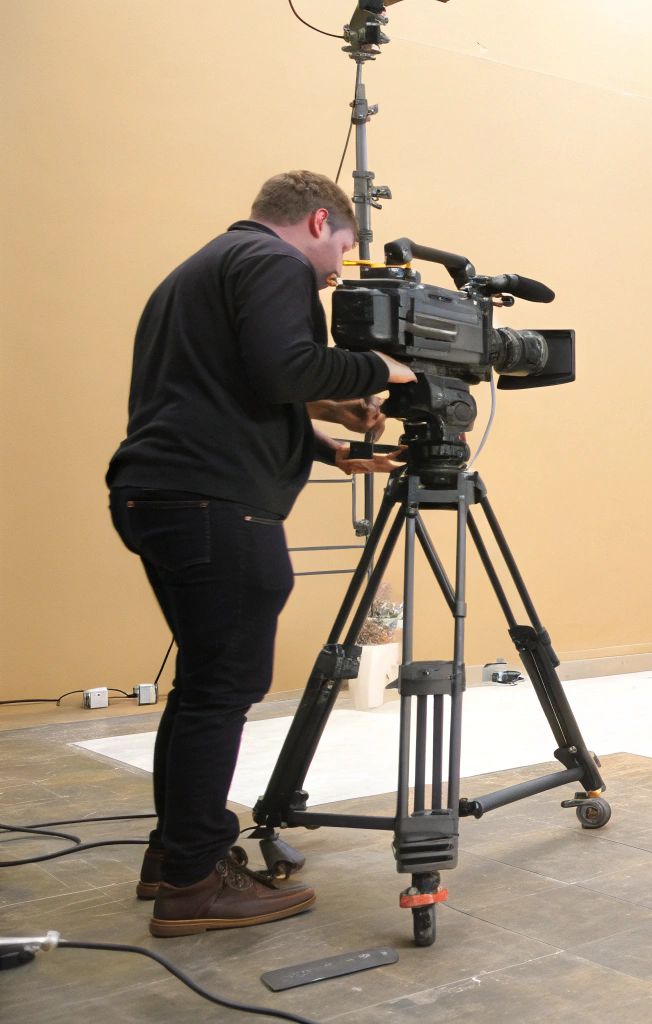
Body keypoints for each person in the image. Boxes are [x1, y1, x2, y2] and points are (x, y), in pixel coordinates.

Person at [106, 171, 416, 936]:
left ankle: (178, 855)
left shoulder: (201, 269)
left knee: (201, 687)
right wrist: (383, 370)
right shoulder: (277, 266)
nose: (337, 271)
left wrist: (329, 446)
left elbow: (239, 383)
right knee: (222, 690)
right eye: (341, 251)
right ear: (320, 222)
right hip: (217, 505)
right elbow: (285, 368)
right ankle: (194, 886)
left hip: (162, 494)